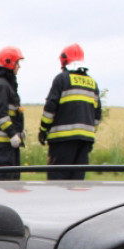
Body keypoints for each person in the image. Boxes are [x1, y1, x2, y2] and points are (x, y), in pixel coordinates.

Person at [38, 43, 101, 180]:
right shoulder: (92, 83)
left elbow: (50, 109)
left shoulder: (62, 79)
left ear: (64, 61)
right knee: (78, 181)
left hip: (61, 142)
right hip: (85, 141)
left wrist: (43, 130)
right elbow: (97, 116)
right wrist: (88, 134)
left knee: (57, 182)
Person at [0, 46, 26, 180]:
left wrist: (20, 131)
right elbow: (1, 114)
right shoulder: (1, 86)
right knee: (4, 177)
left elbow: (13, 113)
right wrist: (12, 134)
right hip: (4, 141)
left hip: (9, 141)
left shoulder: (7, 85)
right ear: (9, 62)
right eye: (17, 63)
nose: (19, 67)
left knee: (13, 177)